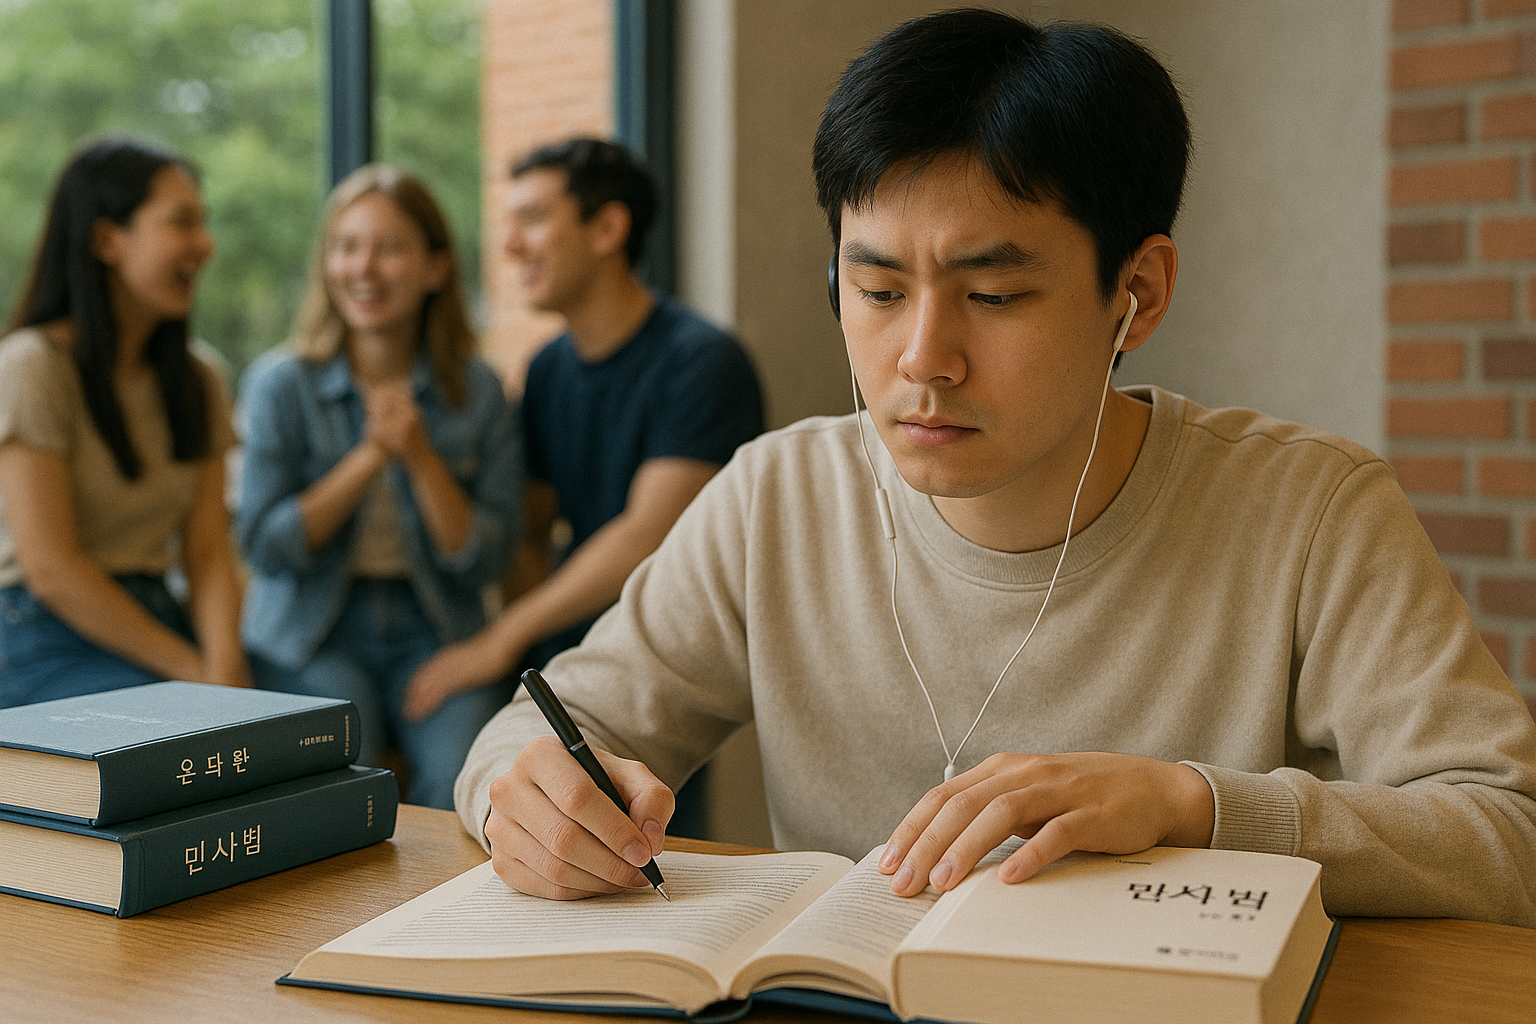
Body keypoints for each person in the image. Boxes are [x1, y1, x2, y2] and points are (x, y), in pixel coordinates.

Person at [453, 10, 1536, 925]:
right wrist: (521, 796)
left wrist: (1190, 802)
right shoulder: (778, 499)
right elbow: (547, 726)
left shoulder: (1309, 511)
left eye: (996, 294)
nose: (922, 358)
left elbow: (1509, 832)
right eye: (877, 292)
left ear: (1138, 295)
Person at [407, 139, 763, 831]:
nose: (509, 244)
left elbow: (647, 534)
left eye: (533, 218)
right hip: (565, 655)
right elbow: (530, 531)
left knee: (655, 852)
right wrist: (531, 651)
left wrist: (498, 640)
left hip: (668, 653)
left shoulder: (702, 361)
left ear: (607, 229)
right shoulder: (545, 371)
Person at [237, 165, 522, 809]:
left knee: (464, 784)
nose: (364, 268)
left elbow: (485, 556)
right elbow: (264, 546)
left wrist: (419, 456)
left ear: (436, 268)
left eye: (390, 248)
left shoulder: (477, 392)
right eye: (346, 247)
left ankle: (452, 915)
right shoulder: (282, 384)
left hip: (438, 625)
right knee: (343, 782)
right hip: (314, 630)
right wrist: (370, 455)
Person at [0, 137, 246, 708]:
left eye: (203, 223)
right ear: (107, 239)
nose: (204, 245)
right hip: (39, 632)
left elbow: (209, 553)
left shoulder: (201, 377)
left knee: (299, 724)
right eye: (181, 223)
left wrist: (225, 666)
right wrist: (195, 671)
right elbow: (52, 570)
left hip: (158, 614)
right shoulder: (32, 367)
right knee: (183, 729)